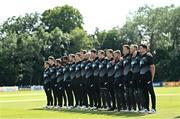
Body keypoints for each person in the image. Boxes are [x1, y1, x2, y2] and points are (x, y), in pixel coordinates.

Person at [139, 44, 156, 113]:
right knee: (145, 93)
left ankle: (154, 108)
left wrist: (152, 78)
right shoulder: (140, 56)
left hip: (148, 77)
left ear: (145, 49)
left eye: (141, 48)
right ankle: (146, 108)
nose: (139, 49)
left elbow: (152, 67)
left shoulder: (148, 55)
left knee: (151, 92)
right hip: (142, 77)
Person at [130, 44, 142, 111]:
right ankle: (138, 107)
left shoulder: (139, 55)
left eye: (131, 49)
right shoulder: (132, 57)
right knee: (135, 92)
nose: (130, 50)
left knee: (140, 92)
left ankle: (143, 107)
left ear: (135, 49)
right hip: (133, 76)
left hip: (139, 76)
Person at [122, 45, 133, 111]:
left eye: (124, 49)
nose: (123, 50)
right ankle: (128, 107)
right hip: (125, 77)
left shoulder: (131, 56)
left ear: (128, 50)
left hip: (130, 77)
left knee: (131, 92)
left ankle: (133, 106)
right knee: (126, 92)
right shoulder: (123, 57)